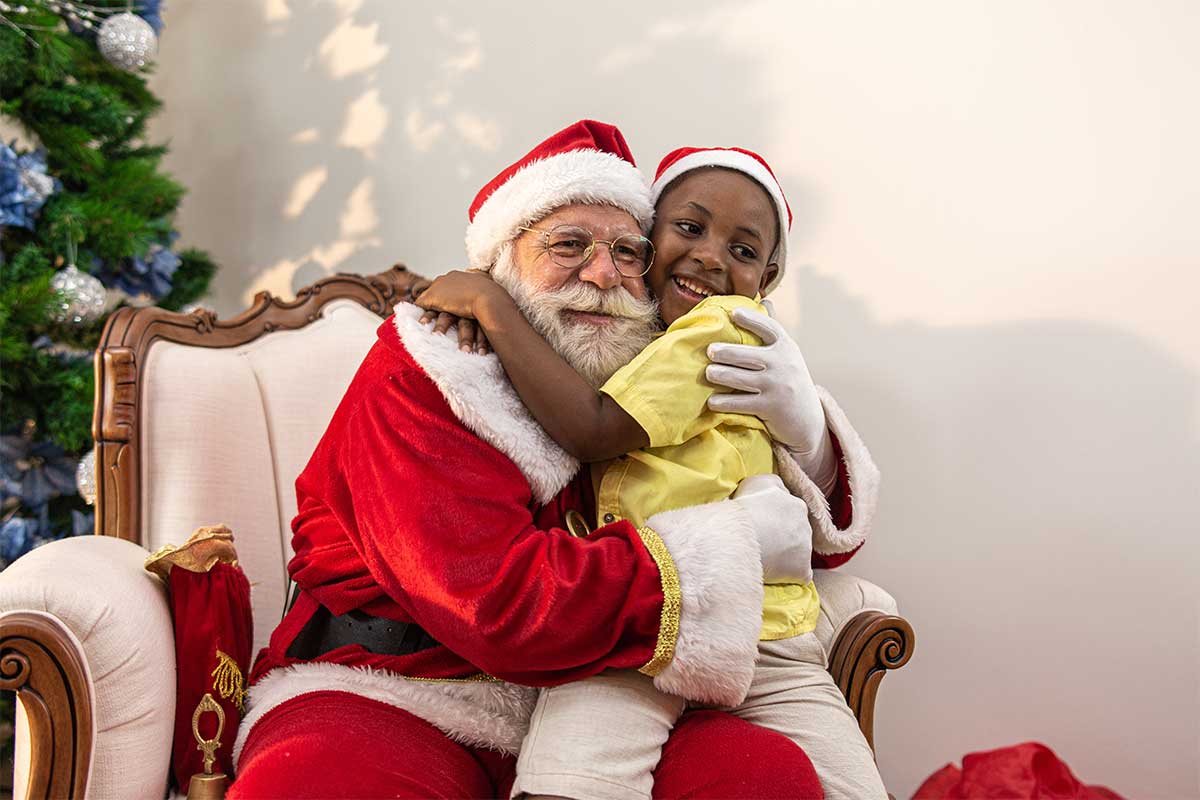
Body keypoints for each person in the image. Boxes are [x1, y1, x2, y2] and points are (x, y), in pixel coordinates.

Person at [228, 121, 878, 799]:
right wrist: (726, 549)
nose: (602, 274)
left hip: (607, 686)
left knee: (761, 777)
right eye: (569, 245)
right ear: (500, 263)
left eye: (627, 252)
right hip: (398, 687)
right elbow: (496, 607)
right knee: (315, 784)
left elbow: (807, 550)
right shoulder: (432, 371)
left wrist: (808, 440)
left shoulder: (659, 357)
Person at [414, 145, 887, 800]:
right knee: (572, 780)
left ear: (768, 277)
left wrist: (490, 305)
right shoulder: (614, 322)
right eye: (689, 228)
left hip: (756, 632)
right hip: (635, 626)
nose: (712, 257)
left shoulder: (723, 330)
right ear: (649, 233)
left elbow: (593, 429)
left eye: (743, 250)